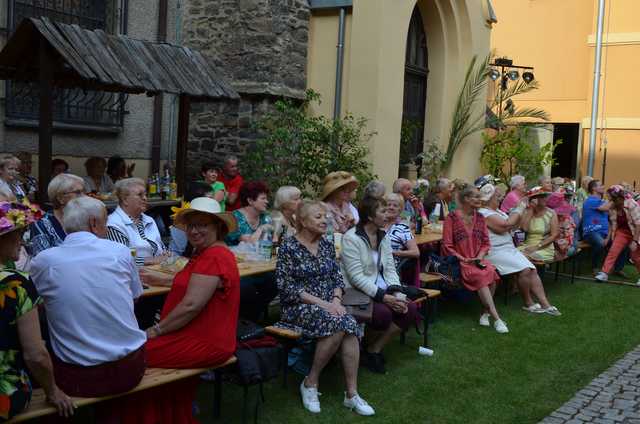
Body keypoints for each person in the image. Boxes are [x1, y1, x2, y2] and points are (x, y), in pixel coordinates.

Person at [30, 197, 146, 398]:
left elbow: (36, 305)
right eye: (105, 223)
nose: (107, 229)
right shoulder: (120, 252)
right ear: (94, 223)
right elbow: (135, 298)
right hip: (130, 368)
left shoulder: (44, 260)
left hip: (78, 376)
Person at [143, 197, 240, 421]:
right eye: (191, 225)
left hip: (204, 340)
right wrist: (164, 280)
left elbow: (190, 305)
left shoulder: (214, 256)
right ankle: (176, 415)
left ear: (218, 226)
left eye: (202, 225)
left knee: (132, 355)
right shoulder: (206, 253)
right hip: (197, 334)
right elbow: (196, 282)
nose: (194, 231)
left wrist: (156, 330)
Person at [276, 201, 374, 416]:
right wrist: (326, 305)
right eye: (318, 217)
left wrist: (336, 301)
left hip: (330, 306)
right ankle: (311, 382)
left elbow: (337, 278)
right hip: (298, 307)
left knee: (347, 323)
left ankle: (351, 394)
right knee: (341, 322)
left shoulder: (327, 244)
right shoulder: (288, 247)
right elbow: (287, 288)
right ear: (302, 221)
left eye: (325, 216)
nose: (325, 220)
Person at [0, 200, 74, 421]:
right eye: (17, 233)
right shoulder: (15, 284)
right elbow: (36, 355)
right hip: (5, 393)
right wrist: (52, 390)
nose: (22, 240)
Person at [341, 196, 418, 373]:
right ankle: (361, 348)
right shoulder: (351, 238)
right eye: (382, 211)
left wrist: (397, 294)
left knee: (409, 308)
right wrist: (384, 297)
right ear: (369, 216)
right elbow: (356, 278)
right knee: (383, 314)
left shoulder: (383, 237)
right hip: (357, 292)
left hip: (380, 290)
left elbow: (390, 269)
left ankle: (373, 349)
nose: (387, 214)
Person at [478, 184, 561, 316]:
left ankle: (545, 304)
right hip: (494, 251)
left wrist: (523, 211)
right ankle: (528, 303)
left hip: (508, 249)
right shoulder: (484, 213)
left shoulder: (498, 212)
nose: (500, 198)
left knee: (531, 269)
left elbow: (513, 227)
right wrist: (520, 207)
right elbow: (504, 226)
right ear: (490, 198)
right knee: (525, 269)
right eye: (497, 196)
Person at [442, 184, 508, 333]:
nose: (480, 200)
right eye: (476, 197)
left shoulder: (480, 217)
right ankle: (497, 319)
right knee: (481, 276)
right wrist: (463, 259)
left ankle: (485, 313)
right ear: (466, 199)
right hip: (460, 262)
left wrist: (479, 257)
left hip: (478, 260)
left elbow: (486, 243)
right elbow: (447, 246)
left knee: (492, 273)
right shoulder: (451, 218)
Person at [107, 178, 167, 266]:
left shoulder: (149, 220)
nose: (145, 198)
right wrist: (152, 260)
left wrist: (166, 254)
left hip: (158, 270)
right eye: (140, 195)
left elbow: (160, 247)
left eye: (145, 194)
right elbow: (121, 260)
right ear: (124, 200)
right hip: (132, 276)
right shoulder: (113, 224)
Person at [26, 173, 85, 258]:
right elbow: (43, 259)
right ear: (60, 198)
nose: (84, 197)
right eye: (78, 192)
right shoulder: (41, 224)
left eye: (84, 192)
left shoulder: (85, 218)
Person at [595, 185, 640, 284]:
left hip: (636, 232)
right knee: (613, 250)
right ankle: (604, 273)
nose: (609, 201)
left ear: (619, 198)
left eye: (611, 199)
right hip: (622, 232)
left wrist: (635, 241)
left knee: (635, 256)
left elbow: (638, 224)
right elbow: (610, 220)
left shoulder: (632, 204)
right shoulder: (612, 206)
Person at [582, 179, 627, 276]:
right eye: (600, 185)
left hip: (605, 233)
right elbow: (606, 208)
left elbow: (610, 221)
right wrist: (617, 195)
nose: (603, 186)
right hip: (591, 232)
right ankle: (595, 267)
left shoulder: (603, 201)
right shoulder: (590, 201)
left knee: (624, 243)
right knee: (600, 243)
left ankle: (617, 269)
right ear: (594, 188)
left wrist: (608, 237)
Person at [168, 181, 211, 256]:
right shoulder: (181, 224)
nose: (212, 202)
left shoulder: (212, 220)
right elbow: (174, 254)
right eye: (209, 199)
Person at [518, 187, 559, 262]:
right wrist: (531, 209)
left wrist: (537, 246)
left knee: (524, 258)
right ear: (534, 199)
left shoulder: (551, 213)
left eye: (545, 196)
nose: (545, 199)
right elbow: (524, 228)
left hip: (544, 247)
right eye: (541, 197)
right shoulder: (527, 212)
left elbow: (554, 235)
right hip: (527, 245)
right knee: (513, 255)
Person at [225, 181, 271, 246]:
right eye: (263, 198)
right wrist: (261, 228)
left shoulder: (264, 217)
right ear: (250, 201)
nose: (267, 201)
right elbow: (249, 243)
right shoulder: (235, 218)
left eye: (266, 198)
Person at [384, 193, 419, 268]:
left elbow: (416, 252)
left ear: (400, 210)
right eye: (388, 204)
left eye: (395, 206)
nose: (391, 207)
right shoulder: (376, 225)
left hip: (390, 267)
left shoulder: (402, 228)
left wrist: (394, 253)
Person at [546, 189, 577, 258]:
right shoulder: (547, 217)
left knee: (570, 250)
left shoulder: (567, 219)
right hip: (548, 244)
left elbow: (568, 237)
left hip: (562, 245)